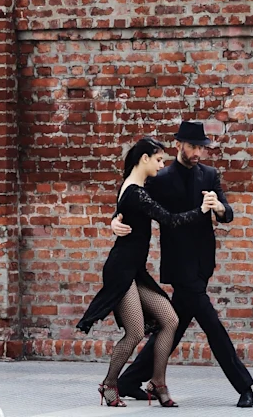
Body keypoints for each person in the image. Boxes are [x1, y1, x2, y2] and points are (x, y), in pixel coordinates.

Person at [111, 120, 253, 408]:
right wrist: (115, 219)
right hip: (180, 266)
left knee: (171, 327)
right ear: (179, 145)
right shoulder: (161, 178)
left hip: (203, 264)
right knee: (212, 326)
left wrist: (220, 208)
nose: (197, 153)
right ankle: (244, 385)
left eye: (201, 148)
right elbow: (132, 196)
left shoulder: (210, 175)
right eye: (192, 147)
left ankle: (129, 380)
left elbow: (228, 215)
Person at [77, 136, 211, 407]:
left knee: (169, 320)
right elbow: (171, 221)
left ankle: (157, 382)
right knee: (135, 332)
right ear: (145, 159)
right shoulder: (136, 193)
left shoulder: (133, 185)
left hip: (134, 270)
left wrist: (113, 220)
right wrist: (202, 210)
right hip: (121, 270)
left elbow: (122, 211)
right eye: (159, 159)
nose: (162, 165)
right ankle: (110, 385)